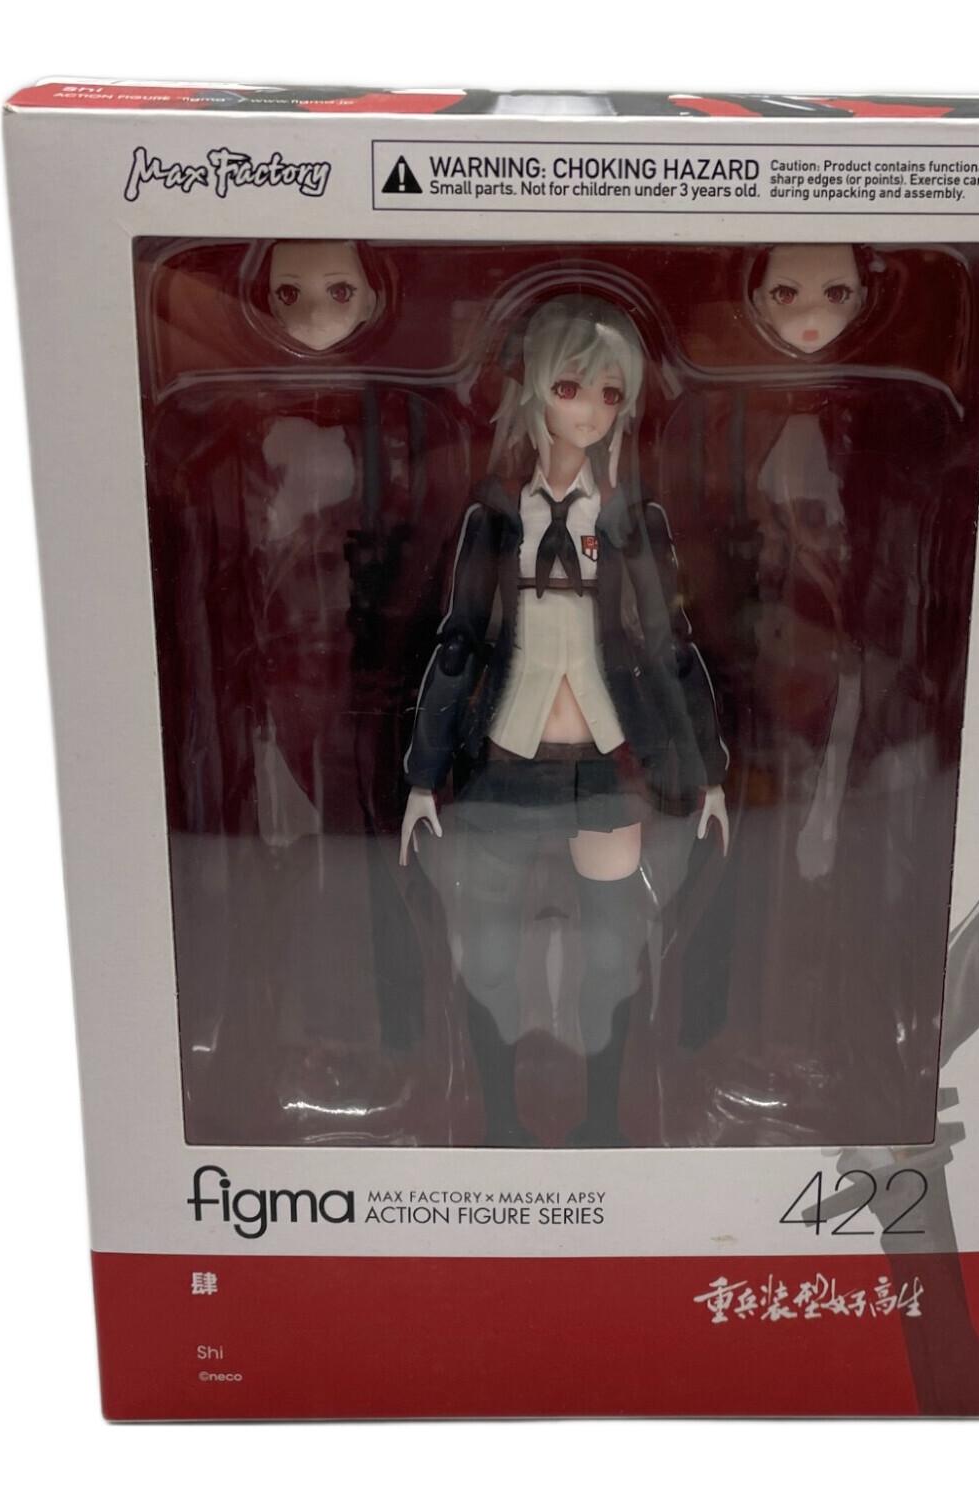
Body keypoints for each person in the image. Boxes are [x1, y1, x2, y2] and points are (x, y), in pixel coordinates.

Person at [400, 293, 728, 1145]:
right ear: (535, 390)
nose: (589, 410)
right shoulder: (493, 521)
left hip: (606, 773)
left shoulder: (632, 524)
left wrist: (710, 770)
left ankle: (603, 1125)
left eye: (610, 394)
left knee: (612, 960)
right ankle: (501, 1125)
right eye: (571, 387)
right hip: (505, 768)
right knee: (491, 956)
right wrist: (423, 774)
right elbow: (458, 642)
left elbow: (670, 647)